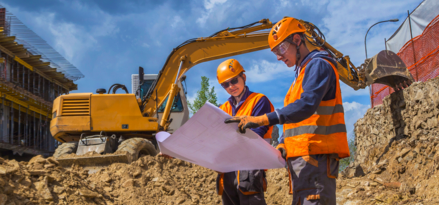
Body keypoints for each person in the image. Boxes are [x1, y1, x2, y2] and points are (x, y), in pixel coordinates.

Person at [225, 17, 350, 205]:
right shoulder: (301, 74)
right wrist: (284, 143)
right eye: (275, 52)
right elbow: (297, 119)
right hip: (304, 164)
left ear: (298, 40)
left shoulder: (319, 65)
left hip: (316, 160)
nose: (279, 56)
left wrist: (261, 120)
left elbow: (307, 105)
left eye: (281, 48)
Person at [216, 59, 274, 205]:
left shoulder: (259, 101)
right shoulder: (222, 109)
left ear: (244, 77)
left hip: (249, 170)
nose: (231, 86)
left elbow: (256, 134)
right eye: (225, 84)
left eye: (234, 80)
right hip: (227, 171)